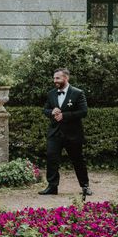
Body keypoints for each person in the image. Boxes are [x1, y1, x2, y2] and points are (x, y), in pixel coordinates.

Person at [38, 68, 92, 196]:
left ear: (66, 78)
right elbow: (45, 110)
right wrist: (51, 112)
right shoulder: (51, 93)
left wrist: (64, 115)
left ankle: (85, 186)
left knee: (78, 160)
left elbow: (83, 112)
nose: (55, 80)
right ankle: (52, 187)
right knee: (51, 158)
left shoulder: (78, 93)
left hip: (72, 133)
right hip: (55, 133)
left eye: (58, 78)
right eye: (54, 78)